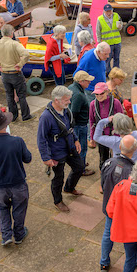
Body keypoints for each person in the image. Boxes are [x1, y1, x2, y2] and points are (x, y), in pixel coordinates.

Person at [0, 109, 33, 245]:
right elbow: (28, 159)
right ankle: (19, 235)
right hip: (18, 184)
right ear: (6, 125)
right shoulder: (17, 141)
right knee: (19, 209)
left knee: (3, 209)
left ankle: (6, 236)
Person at [37, 85, 85, 213]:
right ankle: (58, 201)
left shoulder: (66, 110)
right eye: (66, 100)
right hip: (56, 152)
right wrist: (46, 158)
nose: (69, 102)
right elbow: (41, 139)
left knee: (79, 167)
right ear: (56, 100)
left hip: (70, 147)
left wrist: (75, 139)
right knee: (58, 177)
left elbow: (69, 128)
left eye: (69, 99)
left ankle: (69, 188)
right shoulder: (46, 117)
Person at [99, 134, 137, 272]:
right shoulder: (133, 172)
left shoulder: (108, 162)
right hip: (124, 211)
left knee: (107, 233)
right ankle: (133, 260)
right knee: (129, 237)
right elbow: (133, 195)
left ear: (120, 147)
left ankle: (104, 262)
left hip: (109, 207)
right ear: (134, 150)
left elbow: (102, 184)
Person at [0, 24, 34, 122]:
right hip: (15, 72)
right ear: (11, 33)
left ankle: (13, 117)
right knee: (21, 96)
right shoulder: (15, 44)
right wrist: (20, 63)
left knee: (9, 96)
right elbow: (26, 54)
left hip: (5, 74)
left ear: (1, 33)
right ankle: (25, 116)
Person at [89, 82, 124, 167]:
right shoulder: (93, 104)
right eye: (97, 94)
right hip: (101, 136)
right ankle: (104, 174)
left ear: (107, 92)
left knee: (118, 157)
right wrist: (92, 137)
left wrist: (122, 135)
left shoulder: (115, 103)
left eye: (102, 93)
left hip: (115, 135)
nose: (99, 96)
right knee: (103, 158)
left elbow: (122, 119)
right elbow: (92, 121)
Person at [69, 71, 96, 176]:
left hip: (77, 124)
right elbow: (74, 112)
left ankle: (80, 163)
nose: (89, 82)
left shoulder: (71, 87)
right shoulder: (79, 95)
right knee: (82, 147)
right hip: (80, 125)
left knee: (78, 147)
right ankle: (82, 168)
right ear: (81, 81)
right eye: (87, 80)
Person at [95, 4, 122, 75]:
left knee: (117, 58)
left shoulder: (116, 15)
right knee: (107, 59)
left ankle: (116, 72)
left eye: (110, 11)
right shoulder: (100, 19)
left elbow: (120, 26)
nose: (109, 13)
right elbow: (98, 31)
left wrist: (120, 26)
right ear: (104, 11)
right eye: (107, 11)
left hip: (117, 41)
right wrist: (99, 42)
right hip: (107, 43)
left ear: (112, 10)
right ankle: (108, 72)